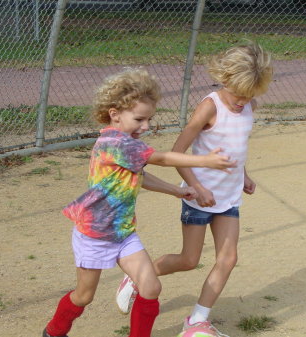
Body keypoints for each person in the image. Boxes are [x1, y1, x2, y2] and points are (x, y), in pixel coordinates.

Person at [41, 69, 237, 337]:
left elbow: (140, 176)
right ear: (114, 113)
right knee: (84, 296)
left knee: (150, 287)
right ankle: (54, 330)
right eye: (139, 119)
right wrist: (205, 160)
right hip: (95, 233)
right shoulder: (114, 142)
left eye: (149, 119)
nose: (145, 126)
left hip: (123, 232)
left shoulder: (129, 142)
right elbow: (163, 159)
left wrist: (177, 191)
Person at [115, 42, 273, 337]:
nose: (242, 101)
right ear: (225, 79)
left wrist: (245, 175)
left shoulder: (250, 103)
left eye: (249, 95)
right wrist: (196, 187)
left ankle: (197, 321)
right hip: (198, 197)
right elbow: (178, 152)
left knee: (228, 259)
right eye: (239, 94)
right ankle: (137, 278)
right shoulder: (209, 106)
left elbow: (236, 147)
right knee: (189, 260)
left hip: (229, 197)